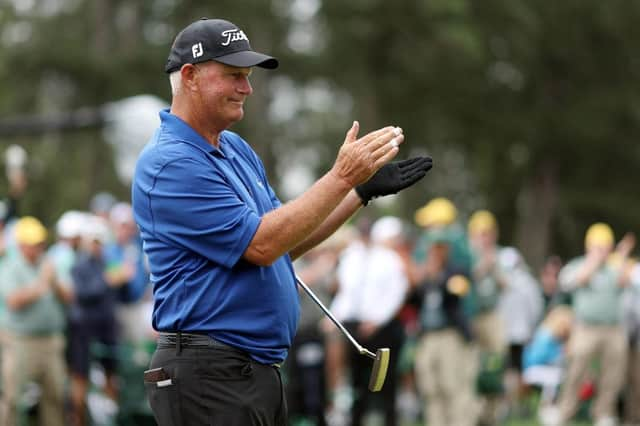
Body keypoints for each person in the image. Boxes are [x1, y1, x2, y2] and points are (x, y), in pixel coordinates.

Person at [131, 17, 432, 426]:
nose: (247, 88)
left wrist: (359, 192)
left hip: (249, 371)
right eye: (234, 75)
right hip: (208, 373)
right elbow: (262, 245)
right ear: (191, 76)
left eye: (248, 76)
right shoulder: (170, 162)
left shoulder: (234, 148)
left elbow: (286, 241)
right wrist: (341, 176)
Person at [329, 216, 409, 426]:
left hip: (383, 328)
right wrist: (333, 316)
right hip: (355, 326)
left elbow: (396, 293)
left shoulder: (389, 258)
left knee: (387, 381)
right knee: (356, 382)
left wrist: (377, 321)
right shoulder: (350, 257)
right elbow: (346, 294)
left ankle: (390, 420)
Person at [554, 223, 634, 426]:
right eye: (599, 246)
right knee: (576, 370)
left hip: (613, 328)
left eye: (606, 246)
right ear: (589, 246)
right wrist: (594, 261)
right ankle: (565, 411)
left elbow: (625, 282)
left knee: (612, 375)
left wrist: (622, 256)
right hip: (585, 328)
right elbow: (575, 281)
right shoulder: (578, 265)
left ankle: (604, 413)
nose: (603, 251)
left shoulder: (615, 267)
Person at [0, 217, 70, 426]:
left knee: (55, 397)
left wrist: (54, 282)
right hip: (21, 341)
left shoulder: (49, 263)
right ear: (21, 244)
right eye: (34, 243)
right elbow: (13, 301)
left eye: (41, 243)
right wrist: (41, 284)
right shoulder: (8, 265)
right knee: (13, 398)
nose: (39, 247)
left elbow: (69, 298)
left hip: (51, 341)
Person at [410, 228, 478, 426]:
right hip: (427, 336)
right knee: (430, 389)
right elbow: (414, 301)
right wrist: (422, 279)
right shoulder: (425, 276)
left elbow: (456, 292)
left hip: (450, 335)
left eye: (440, 249)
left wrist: (437, 276)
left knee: (453, 386)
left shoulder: (455, 271)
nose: (435, 253)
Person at [68, 216, 120, 426]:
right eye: (94, 241)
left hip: (107, 325)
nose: (97, 246)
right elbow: (83, 294)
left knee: (111, 373)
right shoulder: (79, 265)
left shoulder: (108, 262)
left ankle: (111, 418)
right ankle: (77, 420)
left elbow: (122, 292)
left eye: (100, 241)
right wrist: (107, 281)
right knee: (80, 375)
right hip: (84, 327)